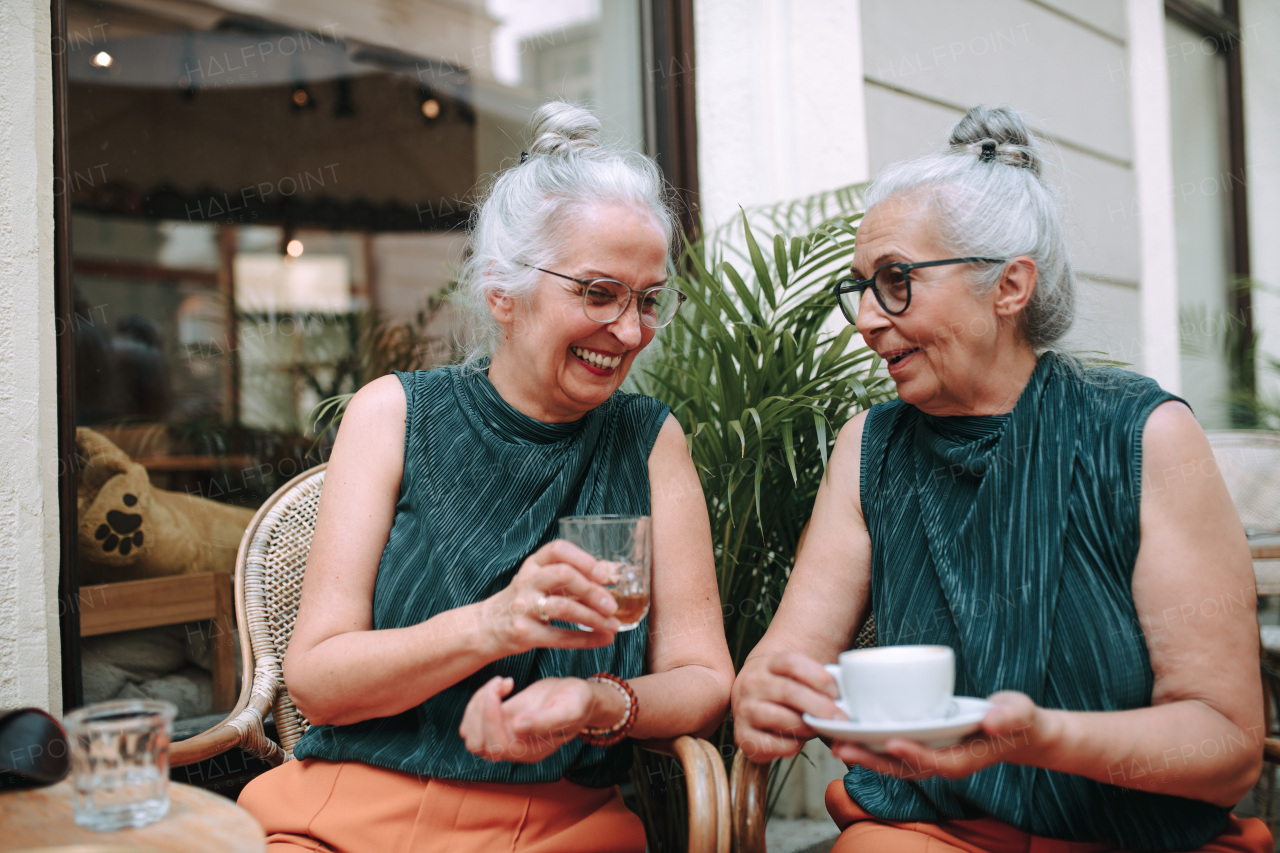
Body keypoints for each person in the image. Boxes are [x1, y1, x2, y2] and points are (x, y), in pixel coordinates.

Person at [730, 105, 1271, 853]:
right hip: (932, 836)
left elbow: (1226, 746)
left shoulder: (1144, 437)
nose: (864, 318)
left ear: (1010, 287)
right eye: (857, 287)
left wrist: (1042, 737)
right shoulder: (869, 449)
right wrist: (764, 692)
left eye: (894, 280)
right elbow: (786, 660)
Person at [237, 102, 734, 853]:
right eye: (599, 293)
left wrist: (598, 700)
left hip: (558, 824)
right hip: (348, 815)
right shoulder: (394, 416)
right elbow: (318, 678)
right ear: (502, 291)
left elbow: (703, 676)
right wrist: (490, 624)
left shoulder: (649, 440)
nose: (631, 331)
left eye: (649, 299)